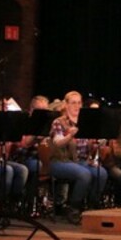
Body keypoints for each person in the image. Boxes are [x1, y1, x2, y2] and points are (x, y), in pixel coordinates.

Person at [46, 90, 109, 223]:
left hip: (81, 161)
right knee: (84, 174)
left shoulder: (85, 122)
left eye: (79, 103)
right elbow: (57, 143)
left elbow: (88, 147)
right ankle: (73, 208)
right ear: (66, 105)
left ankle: (91, 207)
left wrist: (95, 143)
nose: (77, 106)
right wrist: (70, 135)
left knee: (102, 173)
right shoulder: (59, 122)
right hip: (61, 161)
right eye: (73, 103)